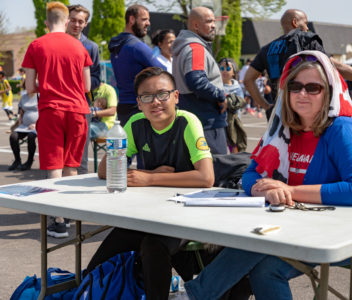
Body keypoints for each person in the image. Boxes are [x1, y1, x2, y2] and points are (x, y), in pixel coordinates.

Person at [184, 51, 352, 300]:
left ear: (329, 91)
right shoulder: (283, 128)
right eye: (295, 86)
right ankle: (194, 295)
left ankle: (193, 295)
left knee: (257, 247)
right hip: (297, 224)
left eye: (313, 88)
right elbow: (251, 173)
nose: (302, 94)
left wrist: (288, 190)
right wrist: (260, 188)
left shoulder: (343, 129)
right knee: (263, 263)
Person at [87, 67, 215, 300]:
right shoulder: (136, 124)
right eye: (147, 96)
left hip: (187, 215)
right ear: (138, 103)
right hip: (150, 213)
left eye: (162, 94)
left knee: (153, 245)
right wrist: (148, 172)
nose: (155, 102)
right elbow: (104, 170)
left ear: (175, 97)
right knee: (97, 265)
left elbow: (206, 178)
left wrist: (151, 178)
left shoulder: (187, 122)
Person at [244, 9, 352, 121]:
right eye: (305, 23)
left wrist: (266, 106)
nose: (308, 28)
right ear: (295, 23)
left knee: (284, 158)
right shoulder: (305, 39)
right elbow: (335, 66)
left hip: (278, 112)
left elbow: (248, 79)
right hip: (304, 111)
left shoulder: (268, 48)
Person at [22, 1, 92, 238]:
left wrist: (48, 83)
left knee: (54, 167)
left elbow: (30, 87)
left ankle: (59, 222)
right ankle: (69, 213)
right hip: (78, 110)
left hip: (51, 110)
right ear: (66, 21)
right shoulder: (79, 46)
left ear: (45, 22)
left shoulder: (36, 45)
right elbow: (87, 85)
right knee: (72, 166)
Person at [172, 6, 227, 154]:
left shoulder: (183, 47)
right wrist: (221, 96)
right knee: (217, 169)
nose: (214, 25)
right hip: (207, 122)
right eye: (209, 21)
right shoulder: (195, 48)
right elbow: (197, 81)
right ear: (196, 25)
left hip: (191, 118)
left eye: (214, 21)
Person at [109, 4, 164, 126]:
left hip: (123, 107)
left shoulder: (116, 46)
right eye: (144, 19)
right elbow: (163, 72)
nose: (148, 23)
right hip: (140, 109)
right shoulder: (136, 46)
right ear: (132, 20)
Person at [67, 4, 101, 175]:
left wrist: (73, 85)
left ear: (86, 23)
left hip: (81, 107)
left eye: (81, 21)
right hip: (57, 108)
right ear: (66, 20)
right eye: (73, 20)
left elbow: (96, 78)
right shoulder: (54, 44)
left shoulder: (91, 47)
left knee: (79, 158)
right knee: (56, 157)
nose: (76, 24)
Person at [218, 58, 247, 153]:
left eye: (228, 68)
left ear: (234, 72)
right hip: (219, 121)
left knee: (234, 144)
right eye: (221, 68)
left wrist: (230, 101)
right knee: (220, 145)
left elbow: (242, 102)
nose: (224, 71)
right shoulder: (216, 86)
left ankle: (235, 162)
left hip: (233, 122)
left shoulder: (237, 87)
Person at [8, 87, 38, 171]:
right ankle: (17, 160)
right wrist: (19, 121)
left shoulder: (40, 96)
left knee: (31, 136)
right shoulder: (24, 97)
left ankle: (29, 161)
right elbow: (21, 112)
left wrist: (36, 124)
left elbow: (44, 112)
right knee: (13, 136)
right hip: (24, 126)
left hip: (37, 126)